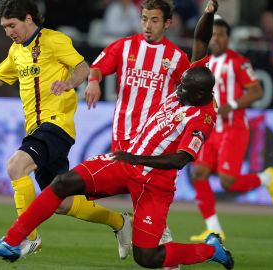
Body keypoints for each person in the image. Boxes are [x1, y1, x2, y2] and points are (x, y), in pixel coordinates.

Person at [0, 66, 234, 270]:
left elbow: (181, 159)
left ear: (201, 94)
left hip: (154, 183)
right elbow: (200, 42)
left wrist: (138, 159)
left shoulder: (203, 118)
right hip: (125, 164)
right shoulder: (192, 87)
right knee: (62, 183)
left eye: (183, 89)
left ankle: (211, 250)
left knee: (148, 257)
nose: (177, 91)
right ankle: (12, 242)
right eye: (180, 85)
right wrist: (208, 14)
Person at [0, 0, 131, 259]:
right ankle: (120, 222)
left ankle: (25, 239)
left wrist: (69, 83)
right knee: (62, 202)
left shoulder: (54, 40)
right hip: (37, 128)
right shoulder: (17, 51)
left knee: (16, 166)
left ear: (29, 19)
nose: (8, 32)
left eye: (11, 25)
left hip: (56, 125)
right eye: (4, 27)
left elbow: (83, 67)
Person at [84, 0, 218, 263]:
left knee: (148, 204)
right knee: (141, 203)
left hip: (155, 144)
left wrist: (208, 15)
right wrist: (92, 80)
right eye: (144, 18)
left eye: (154, 20)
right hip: (124, 138)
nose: (147, 25)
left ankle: (164, 255)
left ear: (167, 23)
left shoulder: (178, 59)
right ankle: (129, 230)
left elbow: (200, 45)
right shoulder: (125, 47)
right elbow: (98, 67)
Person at [189, 18, 273, 242]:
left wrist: (232, 104)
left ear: (228, 38)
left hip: (234, 128)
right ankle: (214, 229)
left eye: (221, 34)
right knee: (198, 173)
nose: (217, 38)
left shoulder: (238, 62)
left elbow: (256, 91)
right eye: (214, 35)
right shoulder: (206, 63)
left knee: (227, 182)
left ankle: (266, 178)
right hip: (211, 129)